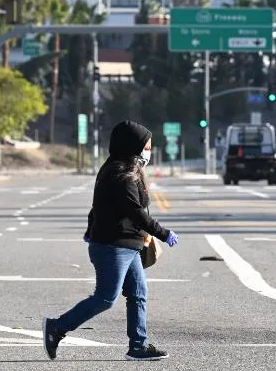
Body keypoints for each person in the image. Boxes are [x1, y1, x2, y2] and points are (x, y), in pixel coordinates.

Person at [42, 120, 179, 361]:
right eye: (146, 146)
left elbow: (97, 209)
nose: (148, 151)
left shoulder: (122, 170)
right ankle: (56, 328)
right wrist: (163, 233)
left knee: (138, 293)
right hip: (113, 247)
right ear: (132, 146)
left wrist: (91, 229)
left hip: (127, 246)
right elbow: (136, 212)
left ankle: (138, 345)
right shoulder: (120, 175)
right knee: (105, 298)